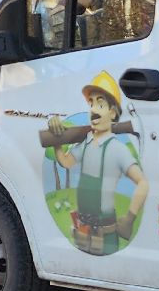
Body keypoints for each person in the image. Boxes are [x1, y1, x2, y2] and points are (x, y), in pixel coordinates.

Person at [48, 71, 148, 256]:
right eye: (91, 104)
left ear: (113, 112)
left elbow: (143, 183)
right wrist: (57, 143)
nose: (94, 110)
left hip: (105, 236)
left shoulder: (117, 149)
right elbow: (66, 162)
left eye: (100, 104)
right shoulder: (86, 143)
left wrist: (129, 218)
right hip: (82, 232)